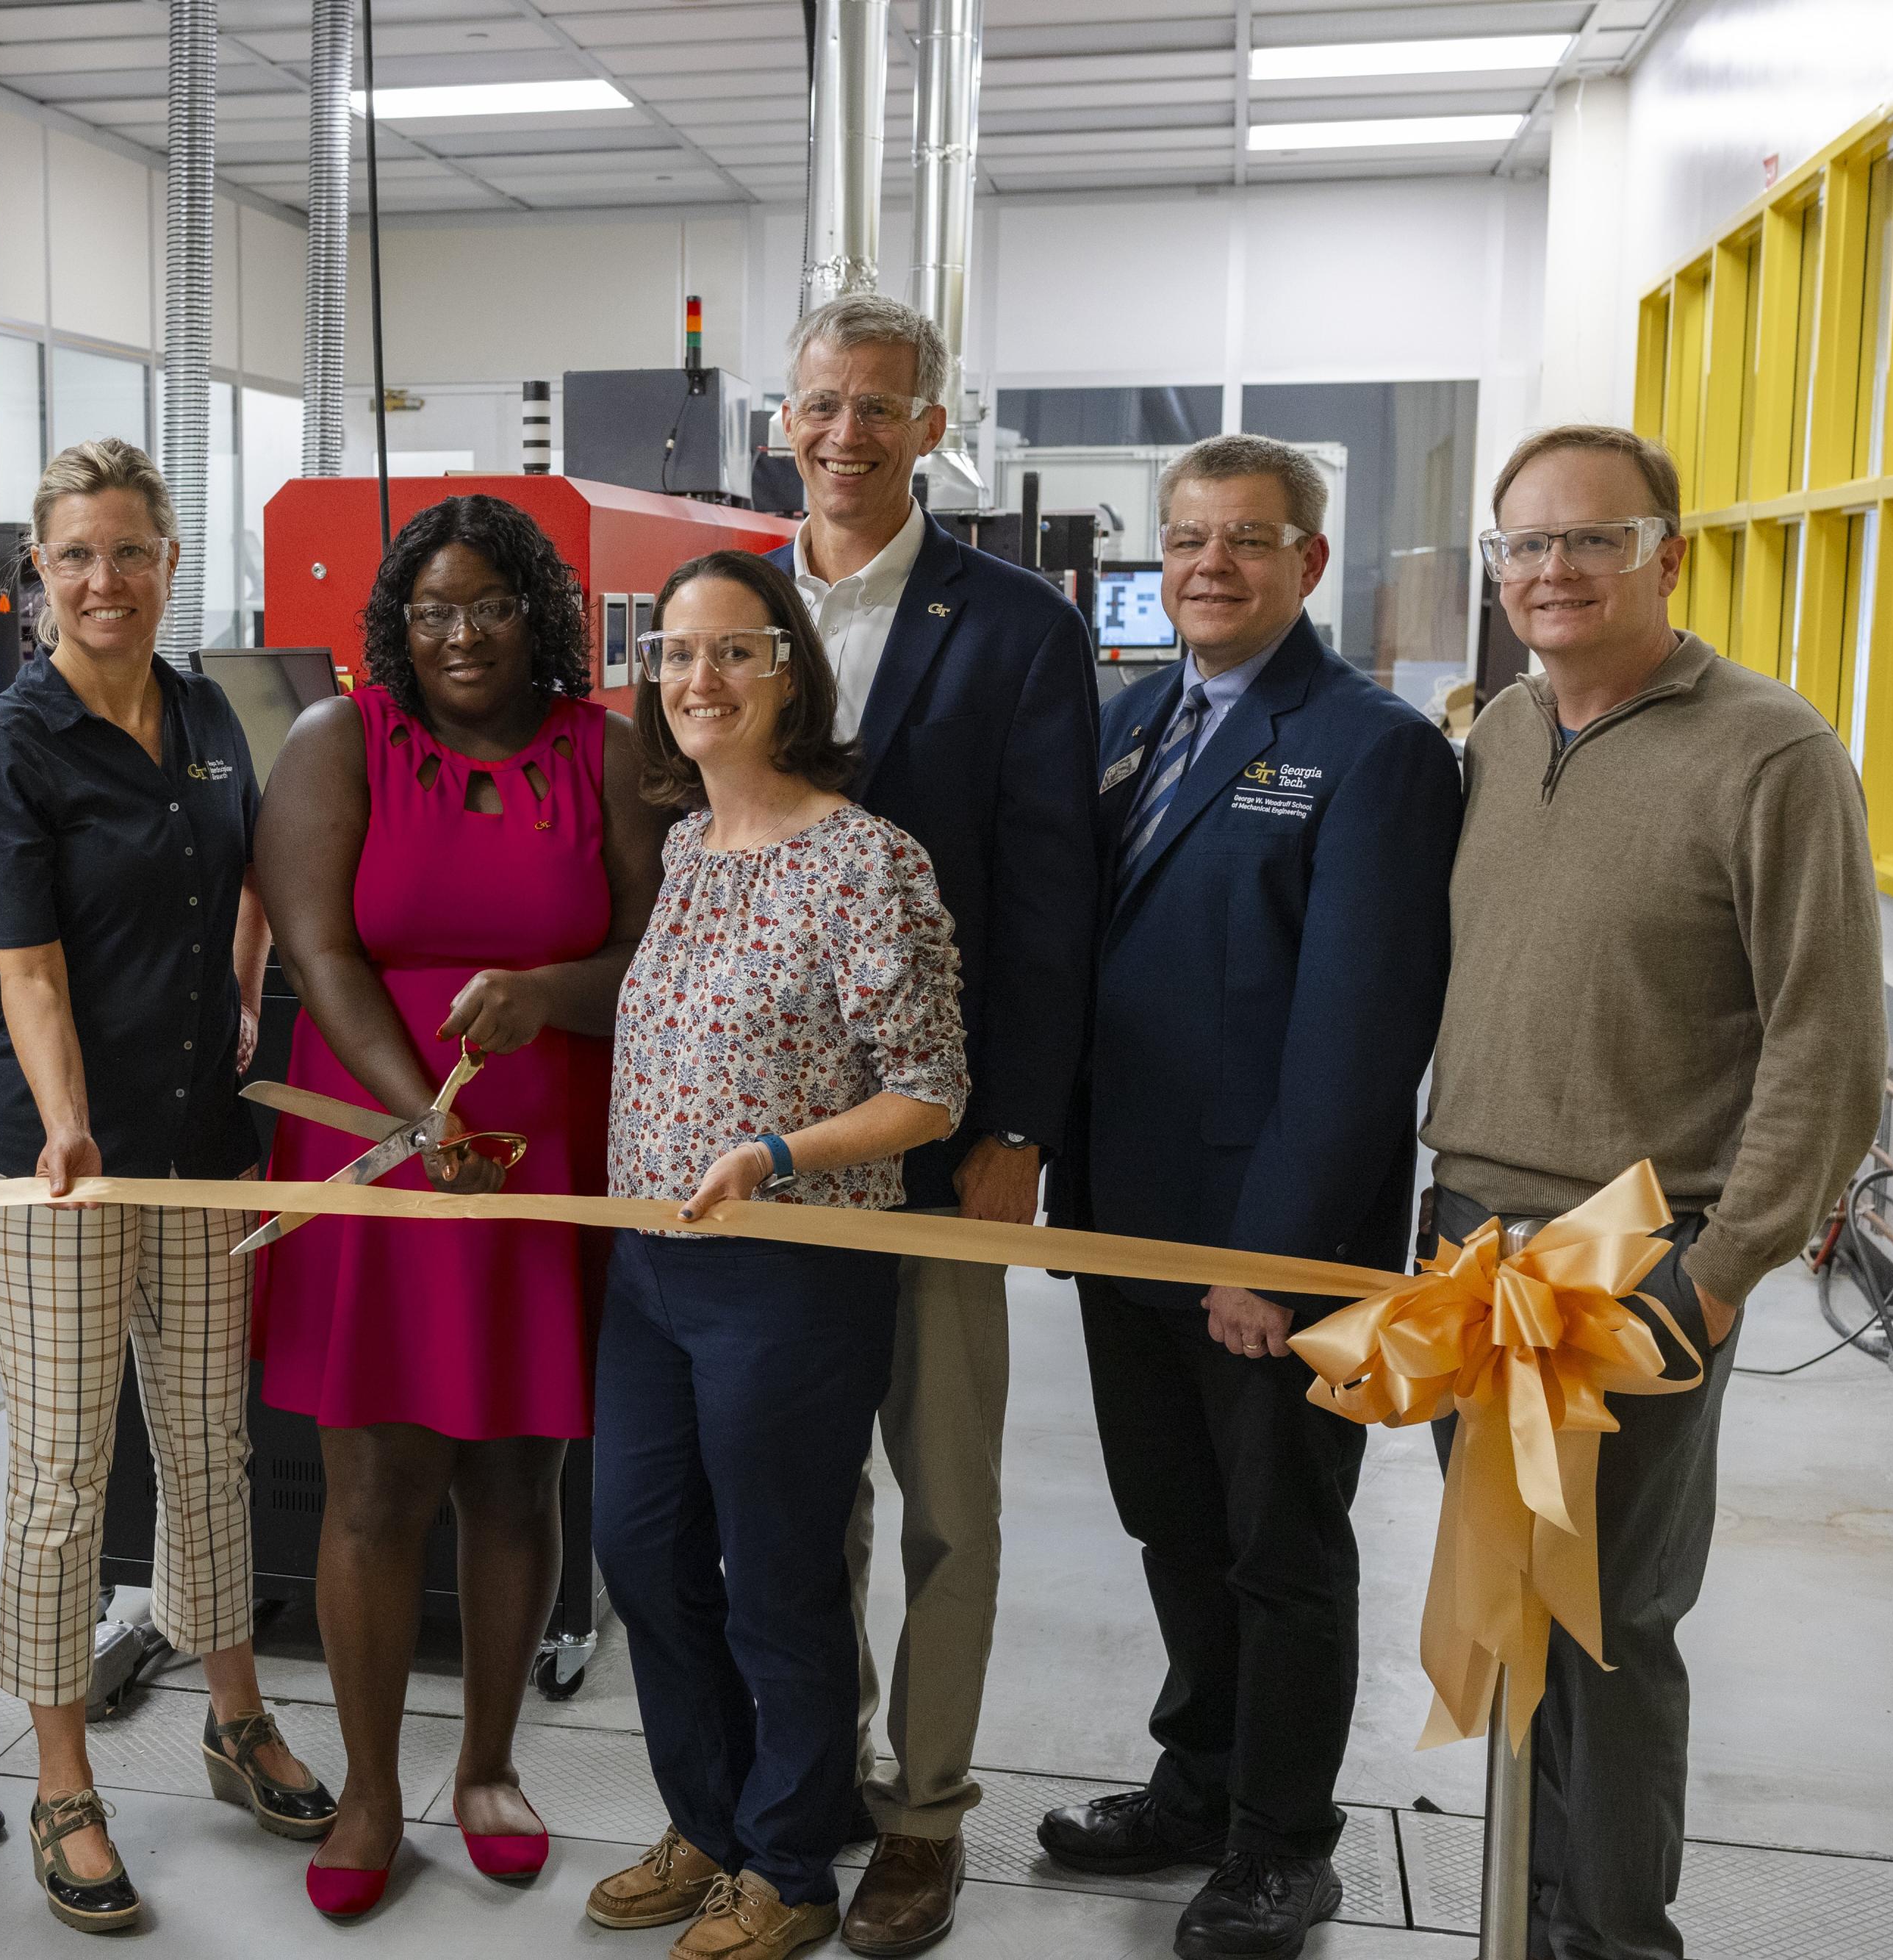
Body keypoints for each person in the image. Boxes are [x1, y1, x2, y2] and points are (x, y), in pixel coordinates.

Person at [1420, 425, 1881, 1960]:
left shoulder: (1769, 750)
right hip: (1465, 1232)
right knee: (1509, 1602)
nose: (1551, 571)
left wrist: (1722, 1264)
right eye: (1524, 545)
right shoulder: (1493, 731)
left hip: (1635, 1250)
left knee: (1605, 1624)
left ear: (1664, 552)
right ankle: (1520, 1907)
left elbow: (1824, 1036)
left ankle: (1610, 1935)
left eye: (1589, 539)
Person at [1039, 434, 1463, 1960]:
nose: (1206, 564)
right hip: (1122, 1221)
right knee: (1169, 1524)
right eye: (1184, 538)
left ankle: (1283, 1841)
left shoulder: (1370, 746)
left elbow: (1356, 1035)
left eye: (1243, 539)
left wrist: (1271, 1259)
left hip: (1266, 1239)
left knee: (1279, 1545)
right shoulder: (1133, 717)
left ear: (1305, 559)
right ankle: (1197, 1778)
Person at [0, 438, 334, 1936]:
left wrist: (241, 1002)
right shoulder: (9, 746)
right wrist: (66, 1128)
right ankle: (61, 1776)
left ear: (171, 562)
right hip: (60, 1158)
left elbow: (237, 872)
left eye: (132, 552)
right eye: (76, 556)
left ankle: (231, 1715)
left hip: (197, 1136)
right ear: (36, 572)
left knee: (208, 1437)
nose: (105, 580)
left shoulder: (208, 714)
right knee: (59, 1468)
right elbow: (24, 965)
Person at [253, 495, 666, 1918]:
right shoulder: (339, 744)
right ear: (395, 626)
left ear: (537, 613)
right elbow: (313, 947)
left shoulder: (600, 753)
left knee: (515, 1472)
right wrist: (418, 1112)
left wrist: (547, 995)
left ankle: (487, 1762)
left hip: (549, 1152)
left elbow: (648, 950)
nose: (459, 633)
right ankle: (371, 1787)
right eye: (429, 609)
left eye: (487, 603)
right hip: (383, 1144)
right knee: (374, 1480)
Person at [764, 292, 1101, 1957]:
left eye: (879, 407)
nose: (845, 432)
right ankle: (805, 1780)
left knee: (944, 1493)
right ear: (781, 413)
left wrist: (1016, 1125)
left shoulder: (1017, 627)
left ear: (931, 424)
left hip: (937, 1126)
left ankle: (926, 1813)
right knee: (791, 1488)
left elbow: (1051, 896)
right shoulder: (726, 605)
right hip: (756, 1146)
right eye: (820, 402)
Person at [586, 550, 967, 1960]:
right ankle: (710, 1819)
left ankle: (792, 1863)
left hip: (792, 1270)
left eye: (734, 652)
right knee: (639, 1548)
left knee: (779, 1573)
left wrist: (782, 1156)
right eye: (676, 657)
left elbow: (930, 1089)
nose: (700, 681)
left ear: (788, 669)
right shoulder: (685, 846)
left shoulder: (866, 858)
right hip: (648, 1268)